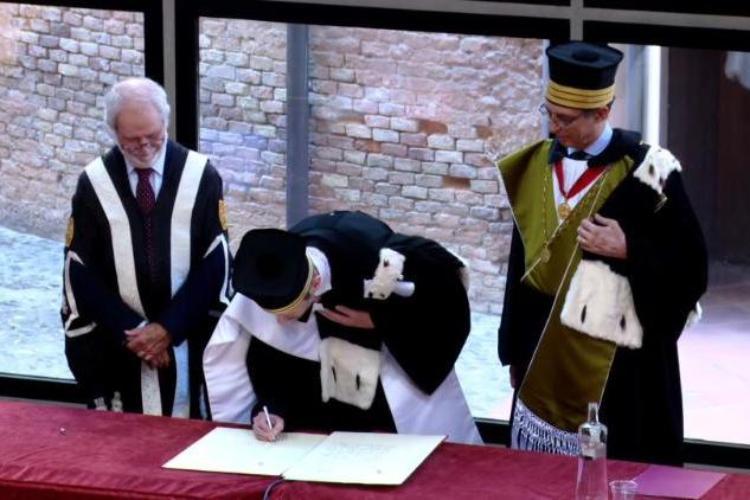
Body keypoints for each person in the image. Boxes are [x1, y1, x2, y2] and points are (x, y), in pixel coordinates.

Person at [496, 42, 707, 464]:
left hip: (618, 364)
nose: (554, 126)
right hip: (542, 347)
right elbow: (520, 264)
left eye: (566, 118)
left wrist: (630, 248)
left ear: (602, 112)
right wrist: (514, 350)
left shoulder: (652, 171)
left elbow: (692, 268)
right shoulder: (533, 165)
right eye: (549, 113)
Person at [203, 210, 482, 444]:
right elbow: (274, 360)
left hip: (383, 402)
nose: (280, 323)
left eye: (287, 315)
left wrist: (382, 320)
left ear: (314, 287)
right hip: (319, 411)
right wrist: (273, 410)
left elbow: (446, 299)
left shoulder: (378, 257)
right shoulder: (280, 270)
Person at [61, 77, 231, 418]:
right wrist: (137, 332)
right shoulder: (94, 183)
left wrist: (168, 328)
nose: (144, 146)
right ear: (114, 132)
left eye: (153, 135)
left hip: (184, 339)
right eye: (132, 139)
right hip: (122, 341)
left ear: (165, 122)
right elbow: (80, 271)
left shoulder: (201, 176)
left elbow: (215, 264)